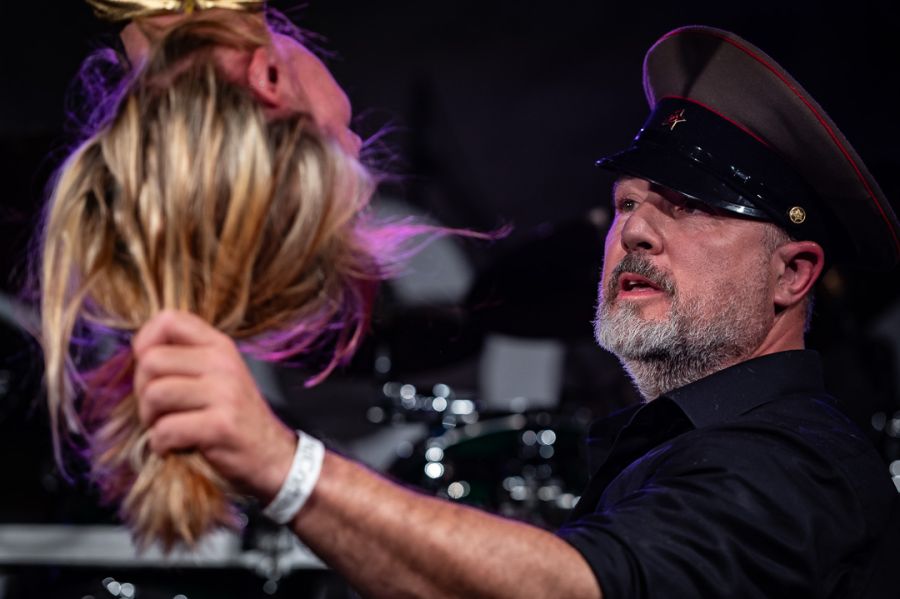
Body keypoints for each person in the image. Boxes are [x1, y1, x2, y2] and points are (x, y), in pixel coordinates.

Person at [50, 4, 900, 598]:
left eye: (688, 208)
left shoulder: (798, 466)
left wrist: (285, 466)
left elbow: (585, 591)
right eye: (629, 203)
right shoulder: (680, 449)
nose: (635, 230)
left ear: (793, 275)